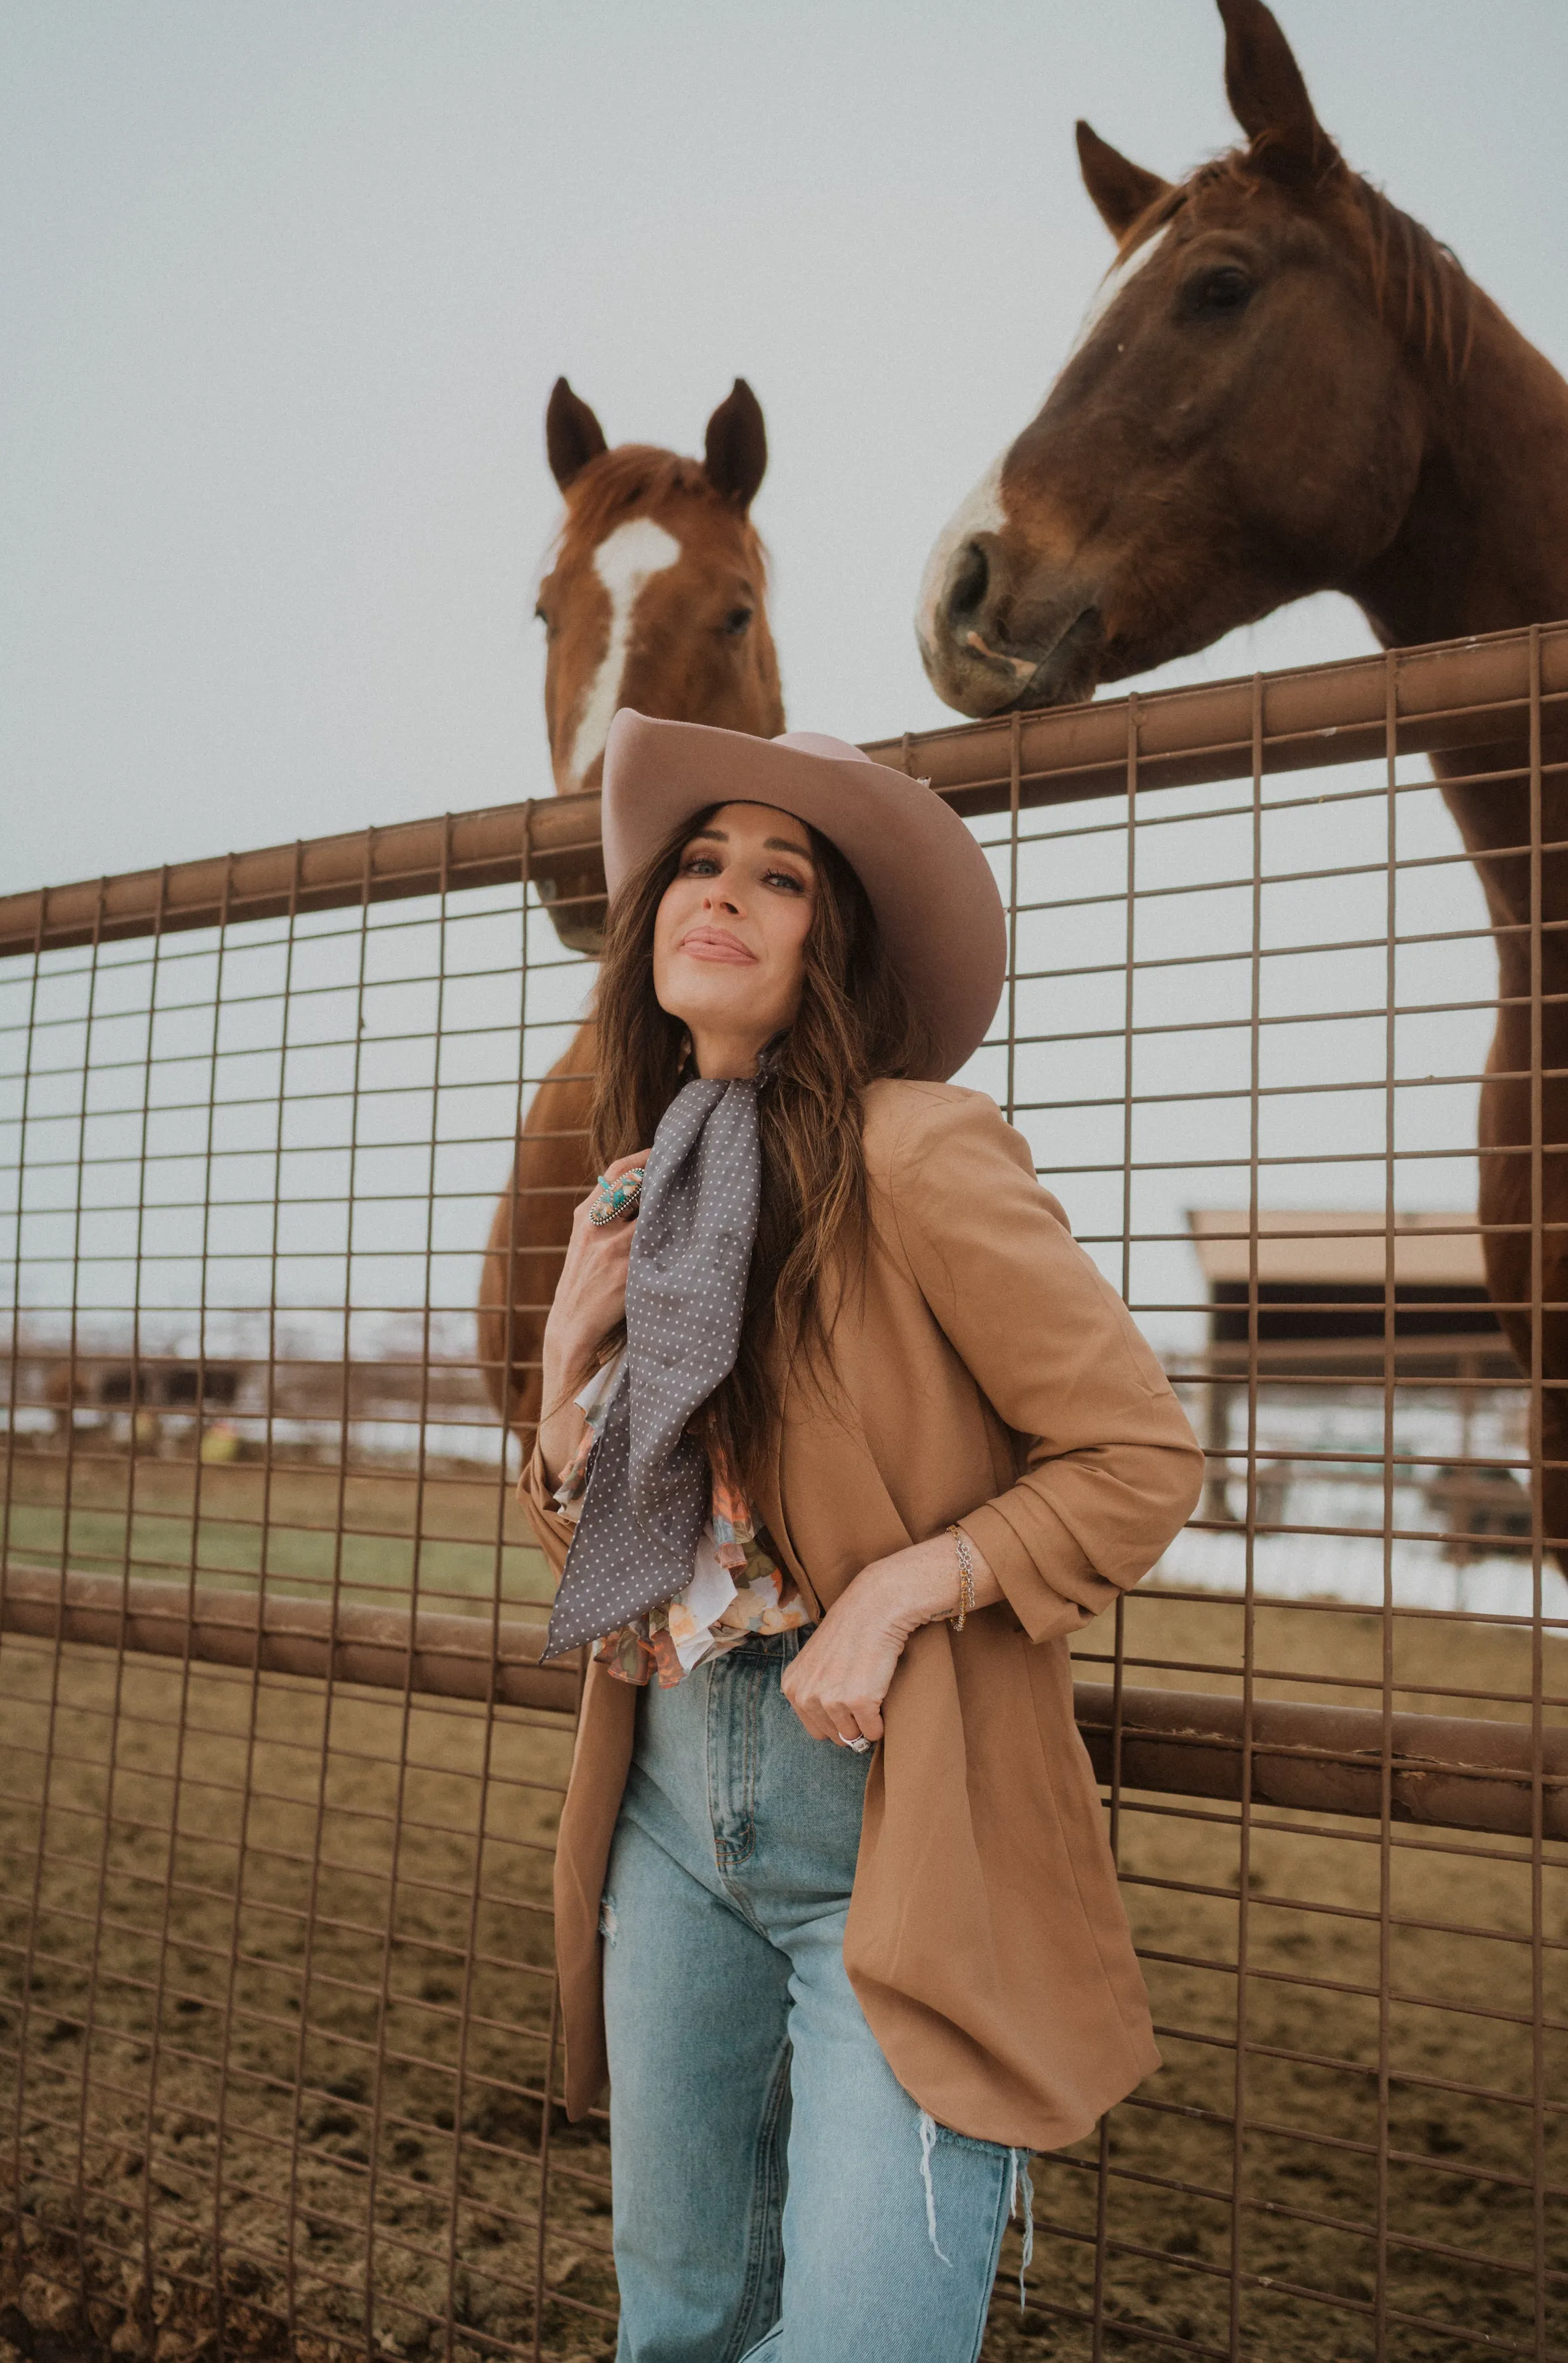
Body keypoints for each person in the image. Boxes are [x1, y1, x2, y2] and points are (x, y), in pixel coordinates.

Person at [516, 709, 1204, 2363]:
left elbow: (1138, 1456)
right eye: (700, 861)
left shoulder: (916, 1149)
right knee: (680, 2327)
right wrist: (559, 1378)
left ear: (834, 946)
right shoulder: (649, 1192)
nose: (722, 891)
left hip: (892, 1817)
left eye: (783, 877)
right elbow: (632, 1561)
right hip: (670, 1811)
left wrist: (902, 1587)